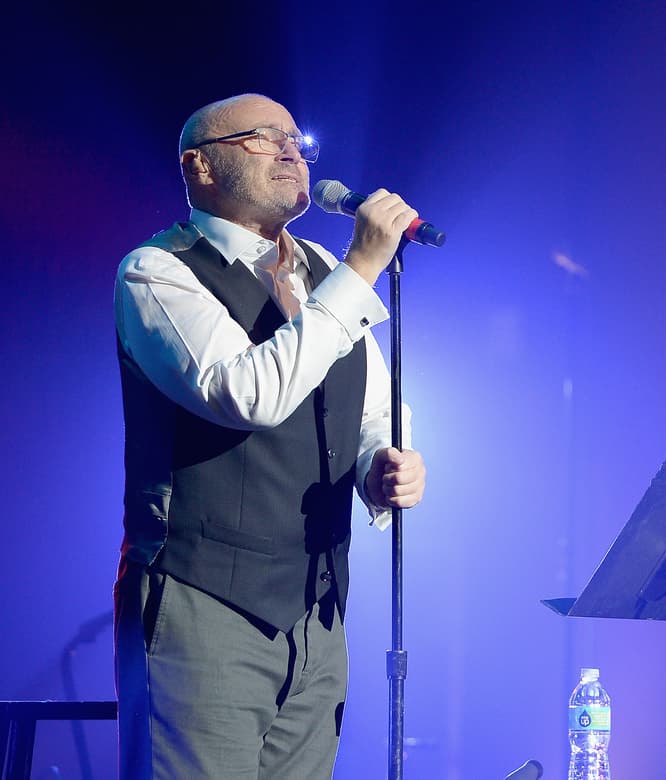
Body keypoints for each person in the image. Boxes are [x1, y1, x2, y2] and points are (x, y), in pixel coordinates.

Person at [113, 93, 427, 779]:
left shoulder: (322, 271)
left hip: (316, 611)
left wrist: (380, 463)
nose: (292, 150)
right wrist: (361, 270)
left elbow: (372, 408)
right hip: (204, 603)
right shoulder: (158, 271)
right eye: (263, 137)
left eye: (297, 139)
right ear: (199, 165)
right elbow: (247, 394)